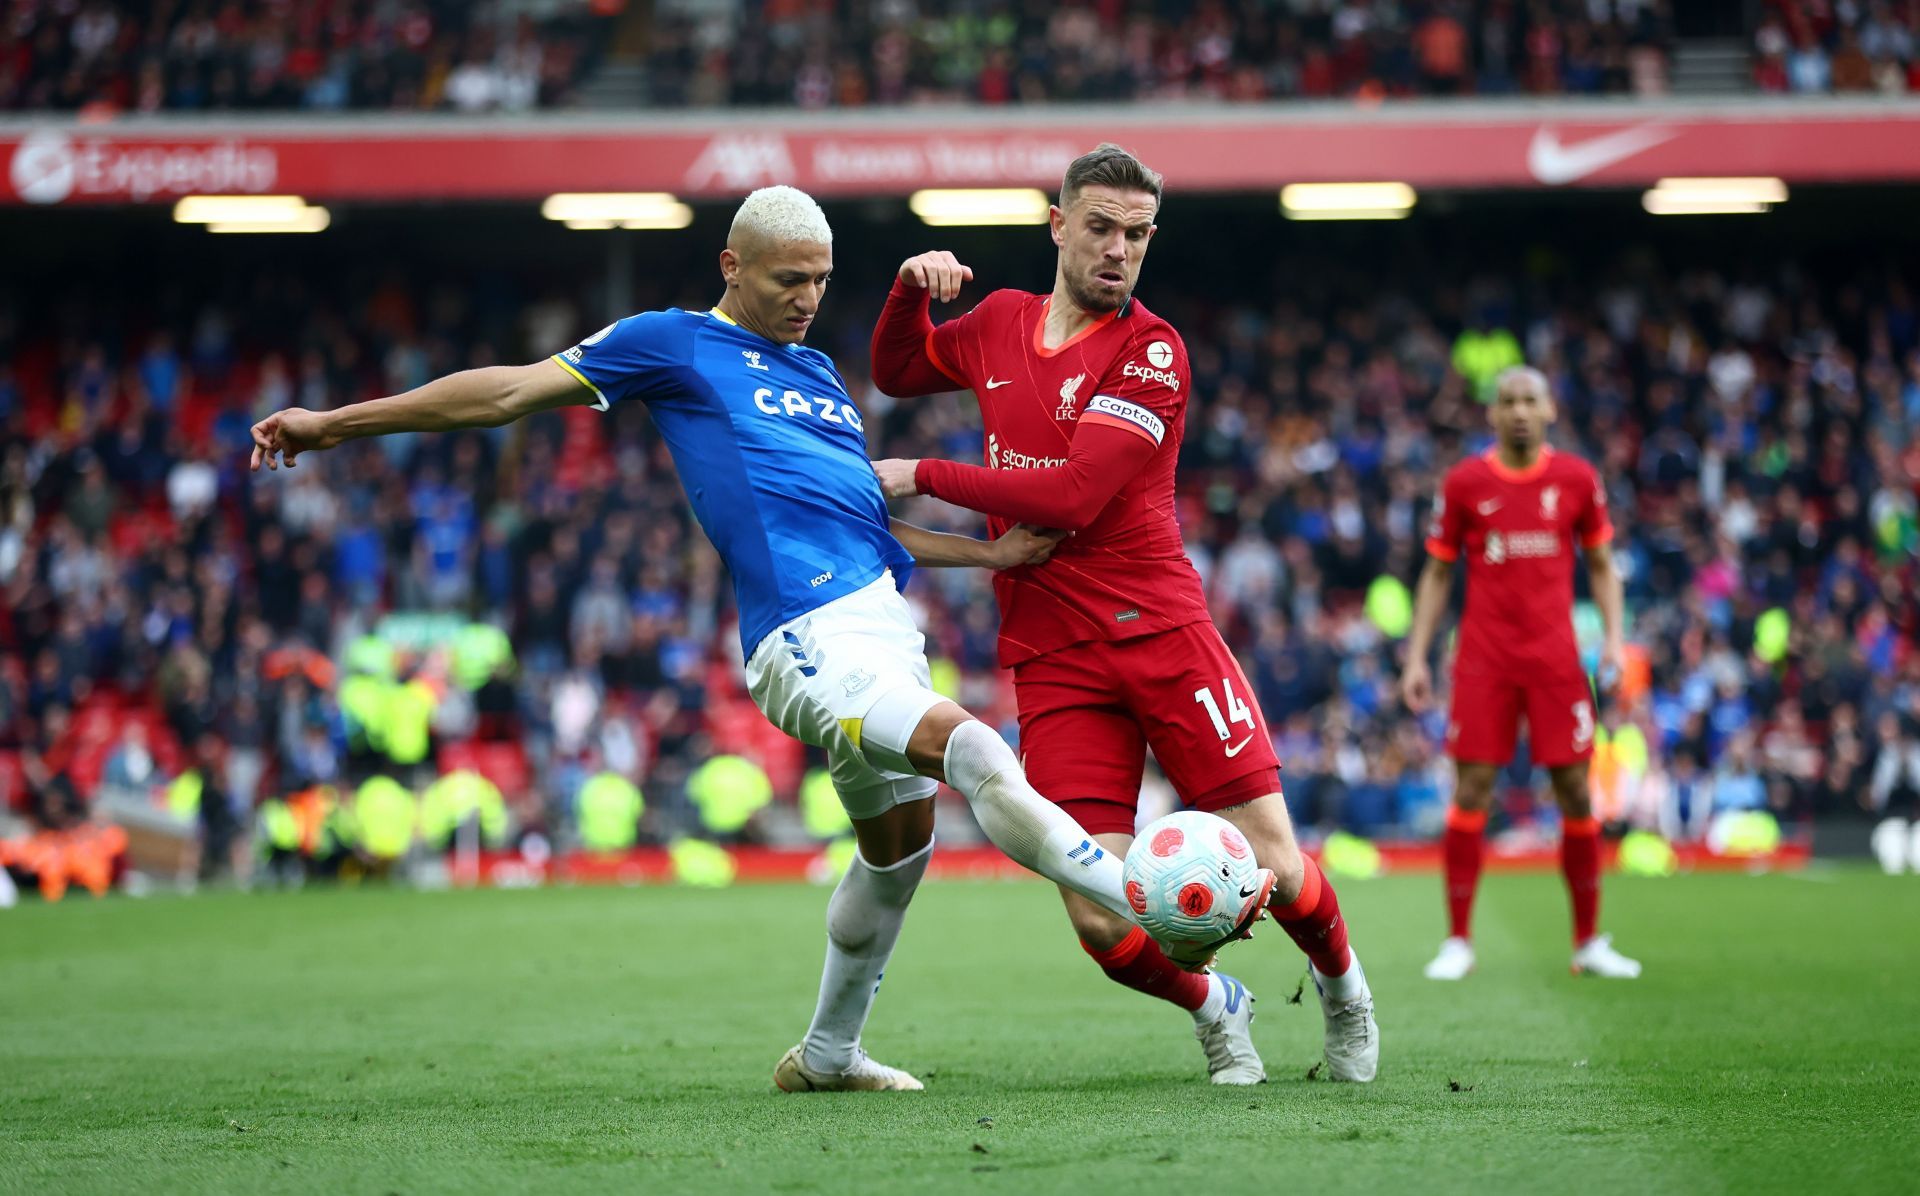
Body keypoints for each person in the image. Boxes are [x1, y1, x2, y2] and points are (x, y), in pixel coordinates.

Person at [249, 185, 1233, 1094]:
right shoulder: (671, 344)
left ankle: (829, 1052)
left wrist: (989, 556)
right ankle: (1157, 895)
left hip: (883, 630)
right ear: (732, 266)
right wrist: (336, 424)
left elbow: (863, 524)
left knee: (898, 853)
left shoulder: (816, 377)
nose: (808, 299)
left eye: (820, 280)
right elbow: (504, 392)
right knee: (975, 748)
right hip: (801, 635)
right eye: (787, 279)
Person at [868, 144, 1377, 1085]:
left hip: (1163, 633)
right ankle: (1218, 1006)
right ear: (1057, 225)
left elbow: (1068, 497)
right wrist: (910, 288)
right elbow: (898, 370)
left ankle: (1344, 988)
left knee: (1274, 855)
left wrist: (921, 474)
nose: (1119, 251)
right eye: (1100, 228)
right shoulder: (996, 324)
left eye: (1137, 235)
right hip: (1052, 649)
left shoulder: (1152, 350)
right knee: (1099, 914)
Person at [1400, 365, 1641, 980]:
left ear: (1550, 410)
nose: (1519, 412)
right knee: (1472, 790)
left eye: (1530, 400)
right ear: (1492, 414)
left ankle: (1588, 942)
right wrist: (1416, 655)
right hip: (1484, 660)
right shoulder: (1464, 483)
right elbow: (1435, 574)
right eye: (1508, 401)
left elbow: (1605, 565)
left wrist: (1614, 641)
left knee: (1577, 792)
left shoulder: (1578, 480)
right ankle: (1458, 941)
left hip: (1558, 662)